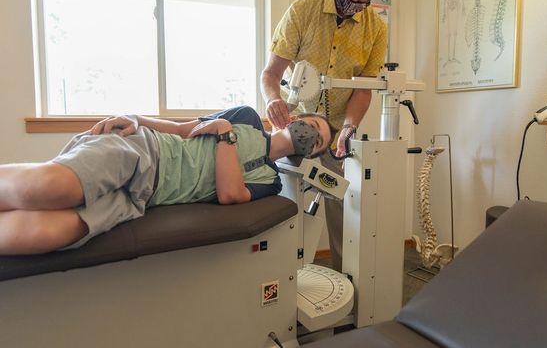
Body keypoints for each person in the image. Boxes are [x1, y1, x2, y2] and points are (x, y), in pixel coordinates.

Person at [0, 106, 335, 255]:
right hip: (148, 152)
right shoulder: (246, 117)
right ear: (295, 118)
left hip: (144, 198)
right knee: (53, 188)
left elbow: (230, 194)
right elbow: (181, 130)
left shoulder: (271, 181)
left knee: (54, 232)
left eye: (317, 141)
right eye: (312, 126)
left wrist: (224, 137)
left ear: (310, 153)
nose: (311, 135)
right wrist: (133, 117)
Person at [261, 0, 389, 270]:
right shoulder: (302, 11)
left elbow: (363, 89)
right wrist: (272, 100)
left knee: (343, 210)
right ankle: (278, 280)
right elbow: (271, 75)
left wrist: (348, 128)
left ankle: (346, 286)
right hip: (294, 123)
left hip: (335, 137)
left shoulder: (376, 29)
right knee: (283, 212)